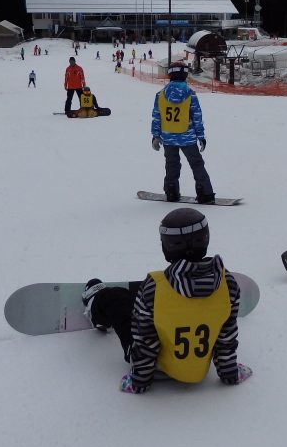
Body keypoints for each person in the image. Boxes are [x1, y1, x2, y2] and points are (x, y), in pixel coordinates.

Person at [81, 208, 251, 394]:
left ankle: (94, 303)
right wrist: (230, 373)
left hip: (156, 369)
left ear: (166, 246)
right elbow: (226, 337)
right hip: (198, 369)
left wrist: (139, 381)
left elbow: (145, 341)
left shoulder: (154, 288)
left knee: (117, 301)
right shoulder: (228, 285)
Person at [151, 61, 215, 203]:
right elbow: (197, 117)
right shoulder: (190, 94)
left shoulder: (160, 95)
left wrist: (155, 136)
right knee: (197, 164)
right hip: (187, 137)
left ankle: (171, 191)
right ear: (185, 75)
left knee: (171, 165)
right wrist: (201, 137)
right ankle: (205, 193)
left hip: (168, 137)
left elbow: (157, 116)